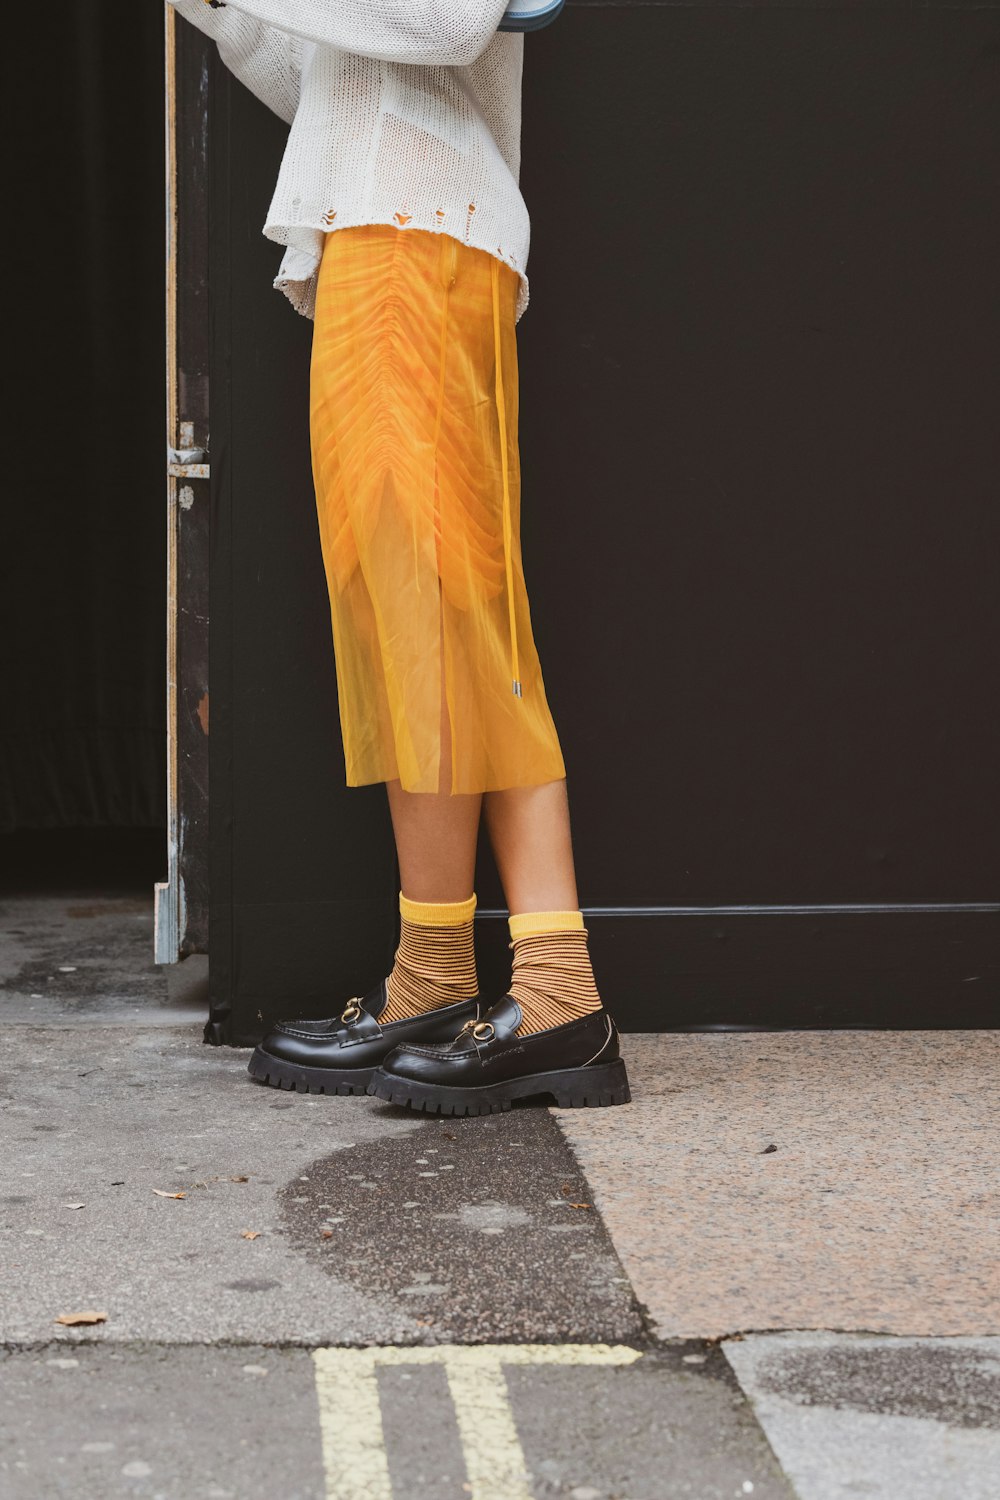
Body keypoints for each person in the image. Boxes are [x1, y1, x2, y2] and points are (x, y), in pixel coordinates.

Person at [168, 0, 631, 1115]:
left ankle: (557, 990)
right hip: (384, 236)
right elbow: (328, 79)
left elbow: (447, 21)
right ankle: (436, 971)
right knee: (402, 619)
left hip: (426, 237)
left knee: (448, 611)